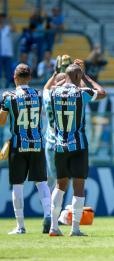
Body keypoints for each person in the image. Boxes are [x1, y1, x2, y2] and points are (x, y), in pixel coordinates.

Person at [48, 64, 107, 237]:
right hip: (78, 145)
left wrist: (66, 77)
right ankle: (75, 229)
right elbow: (102, 93)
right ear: (78, 77)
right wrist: (86, 78)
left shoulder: (54, 92)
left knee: (60, 186)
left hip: (59, 145)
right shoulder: (83, 93)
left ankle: (53, 226)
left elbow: (51, 87)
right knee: (79, 187)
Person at [0, 64, 52, 234]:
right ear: (30, 78)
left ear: (14, 77)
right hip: (37, 143)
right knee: (42, 182)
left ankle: (20, 226)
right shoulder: (38, 95)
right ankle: (48, 215)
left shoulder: (9, 96)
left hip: (18, 144)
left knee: (17, 185)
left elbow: (1, 121)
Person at [42, 72, 66, 190]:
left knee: (52, 178)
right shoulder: (67, 97)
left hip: (50, 142)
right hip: (64, 143)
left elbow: (45, 88)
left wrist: (54, 74)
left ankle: (48, 205)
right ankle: (55, 207)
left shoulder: (48, 95)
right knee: (61, 181)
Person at [0, 13, 16, 88]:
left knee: (8, 71)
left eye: (2, 18)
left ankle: (8, 85)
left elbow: (14, 29)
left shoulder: (7, 27)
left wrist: (10, 20)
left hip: (7, 53)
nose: (1, 19)